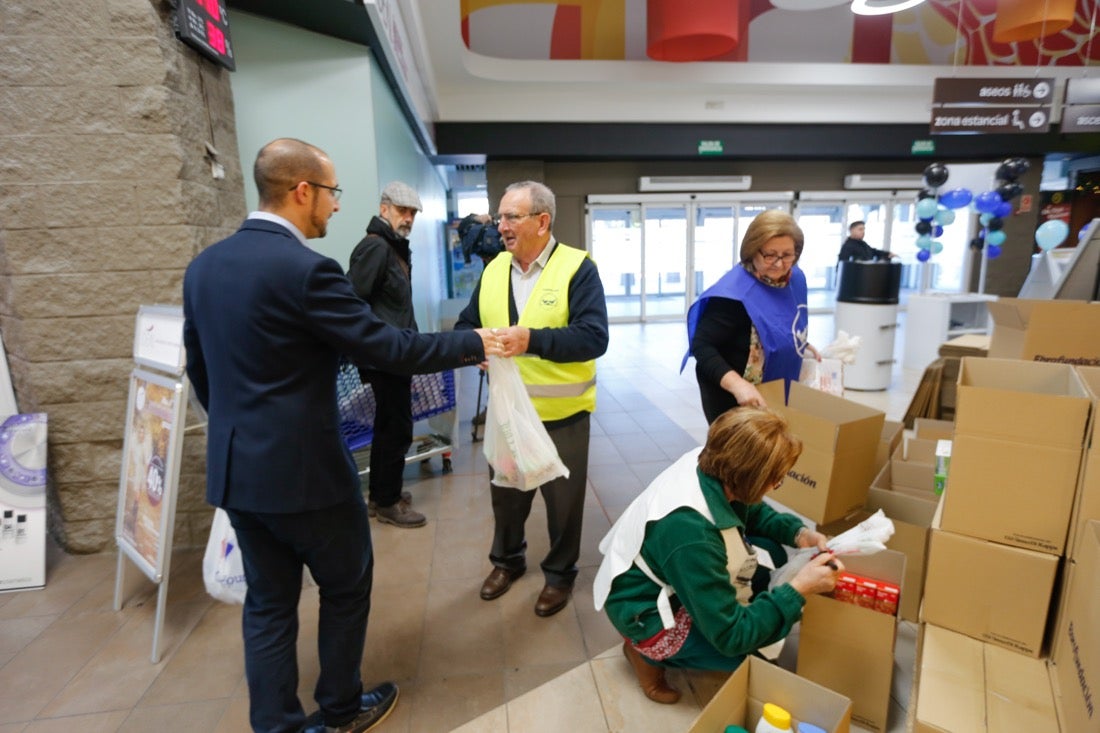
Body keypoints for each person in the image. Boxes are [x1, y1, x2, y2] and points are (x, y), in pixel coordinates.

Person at [183, 138, 501, 733]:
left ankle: (276, 725)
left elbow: (202, 373)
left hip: (237, 472)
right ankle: (339, 709)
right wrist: (475, 341)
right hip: (307, 475)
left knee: (269, 604)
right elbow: (389, 348)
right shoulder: (307, 270)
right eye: (331, 193)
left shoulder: (204, 267)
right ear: (302, 190)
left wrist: (242, 429)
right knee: (347, 586)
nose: (334, 206)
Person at [593, 407, 841, 704]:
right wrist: (799, 590)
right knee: (749, 657)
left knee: (773, 552)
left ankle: (690, 632)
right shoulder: (689, 533)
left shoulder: (714, 462)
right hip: (641, 610)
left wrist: (799, 534)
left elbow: (752, 507)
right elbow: (730, 636)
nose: (776, 487)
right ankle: (645, 654)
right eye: (776, 480)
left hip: (665, 572)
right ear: (748, 478)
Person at [455, 180, 609, 618]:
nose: (500, 226)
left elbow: (594, 336)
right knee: (506, 497)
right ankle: (507, 562)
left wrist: (530, 340)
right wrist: (474, 349)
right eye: (500, 216)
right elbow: (466, 325)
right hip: (507, 417)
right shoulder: (493, 271)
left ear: (542, 221)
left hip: (562, 416)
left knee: (563, 505)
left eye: (511, 217)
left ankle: (559, 576)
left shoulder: (578, 269)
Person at [682, 210, 817, 424]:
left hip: (776, 387)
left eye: (788, 255)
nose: (779, 264)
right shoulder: (733, 294)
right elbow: (702, 346)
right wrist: (738, 386)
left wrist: (800, 342)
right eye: (770, 255)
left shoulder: (795, 279)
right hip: (734, 394)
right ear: (752, 250)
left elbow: (781, 318)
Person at [347, 181, 427, 528]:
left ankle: (380, 495)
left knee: (387, 425)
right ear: (384, 209)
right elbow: (353, 302)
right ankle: (389, 502)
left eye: (412, 213)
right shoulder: (376, 248)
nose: (408, 218)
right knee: (397, 428)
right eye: (401, 210)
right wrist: (374, 347)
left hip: (394, 354)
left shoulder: (393, 246)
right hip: (385, 357)